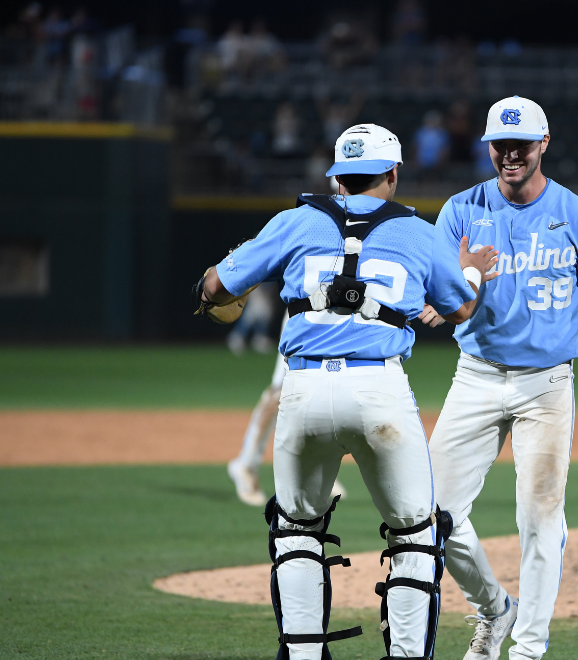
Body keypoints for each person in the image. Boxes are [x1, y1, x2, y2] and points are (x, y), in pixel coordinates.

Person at [195, 123, 499, 660]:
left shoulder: (294, 222)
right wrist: (472, 273)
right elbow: (460, 309)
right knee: (415, 535)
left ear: (337, 177)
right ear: (393, 173)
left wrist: (223, 276)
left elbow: (215, 288)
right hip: (379, 388)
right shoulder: (417, 232)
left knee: (296, 533)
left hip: (303, 387)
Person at [421, 96, 578, 660]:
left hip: (546, 385)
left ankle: (527, 650)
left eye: (521, 145)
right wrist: (454, 290)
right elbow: (446, 303)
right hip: (474, 376)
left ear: (544, 144)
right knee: (427, 514)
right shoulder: (459, 211)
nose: (510, 155)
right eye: (500, 144)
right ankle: (496, 609)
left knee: (540, 516)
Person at [226, 341, 348, 507]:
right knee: (281, 389)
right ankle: (246, 465)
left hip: (335, 321)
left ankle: (315, 467)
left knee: (324, 383)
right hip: (300, 319)